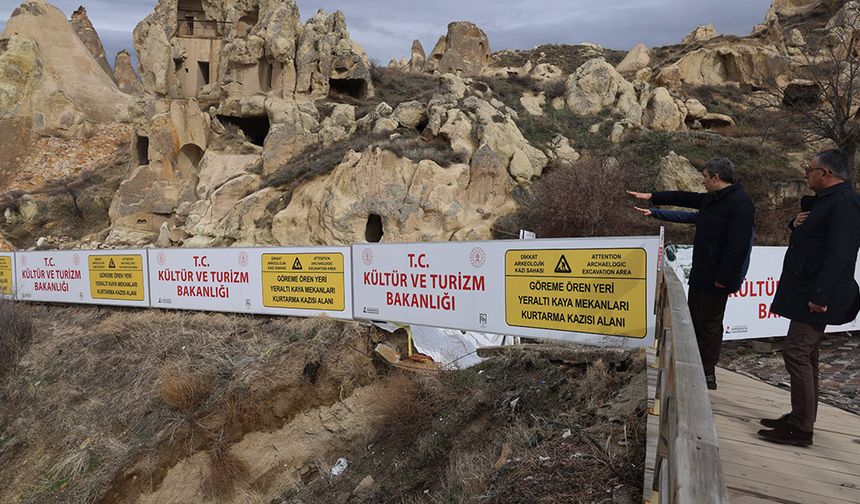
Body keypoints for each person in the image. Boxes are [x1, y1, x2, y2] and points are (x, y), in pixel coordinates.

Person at [758, 149, 860, 447]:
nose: (806, 173)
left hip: (818, 295)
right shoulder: (827, 202)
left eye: (810, 168)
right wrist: (795, 224)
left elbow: (839, 255)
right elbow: (812, 238)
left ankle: (801, 428)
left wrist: (820, 296)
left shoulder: (843, 204)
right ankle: (800, 417)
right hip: (809, 290)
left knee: (796, 351)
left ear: (826, 173)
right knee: (807, 353)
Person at [628, 158, 756, 390]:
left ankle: (707, 372)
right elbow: (685, 198)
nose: (703, 181)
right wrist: (653, 198)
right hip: (700, 273)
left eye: (705, 176)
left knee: (710, 325)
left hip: (717, 279)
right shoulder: (712, 199)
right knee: (695, 321)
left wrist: (723, 278)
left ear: (716, 177)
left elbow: (738, 246)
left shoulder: (740, 203)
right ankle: (693, 367)